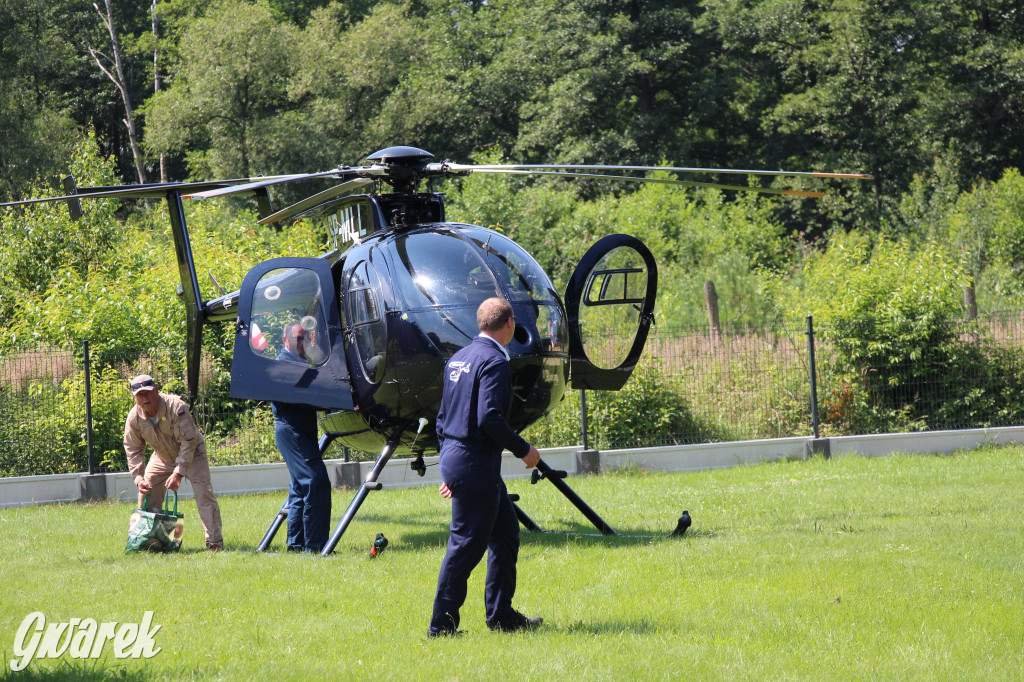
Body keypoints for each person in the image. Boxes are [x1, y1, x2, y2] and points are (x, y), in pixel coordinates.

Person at [429, 297, 543, 637]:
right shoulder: (494, 361)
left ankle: (501, 616)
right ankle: (441, 626)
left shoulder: (458, 359)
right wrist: (524, 450)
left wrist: (450, 466)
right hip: (474, 463)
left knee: (506, 534)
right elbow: (489, 417)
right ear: (508, 324)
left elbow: (442, 418)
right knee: (466, 546)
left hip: (462, 459)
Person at [123, 374, 224, 551]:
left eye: (148, 392)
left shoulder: (177, 407)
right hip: (161, 457)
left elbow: (188, 442)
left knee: (204, 496)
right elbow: (133, 448)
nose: (145, 398)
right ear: (134, 397)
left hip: (192, 455)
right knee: (147, 493)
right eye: (140, 395)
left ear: (156, 390)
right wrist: (138, 478)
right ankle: (151, 542)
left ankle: (214, 543)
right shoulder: (134, 417)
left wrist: (178, 472)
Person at [273, 321, 331, 553]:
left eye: (306, 339)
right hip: (292, 431)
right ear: (285, 341)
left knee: (299, 488)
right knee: (316, 482)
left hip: (299, 432)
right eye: (298, 339)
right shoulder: (284, 365)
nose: (303, 343)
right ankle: (316, 546)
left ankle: (296, 545)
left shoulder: (300, 364)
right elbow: (306, 392)